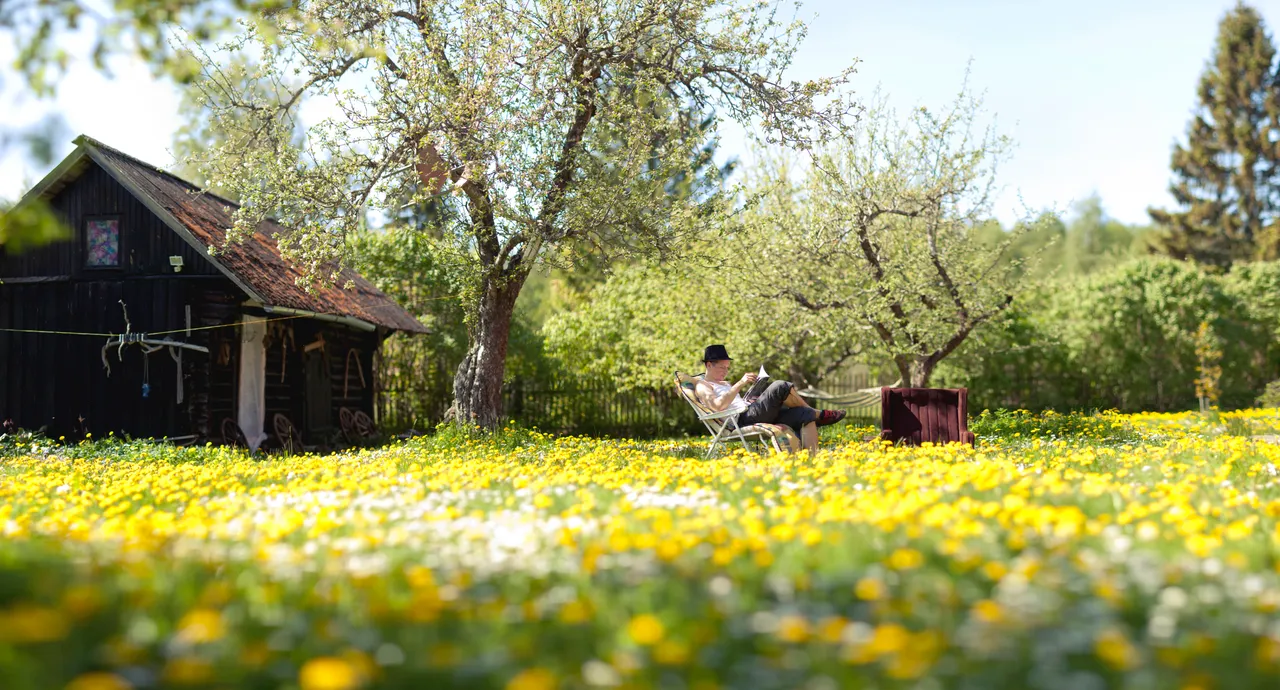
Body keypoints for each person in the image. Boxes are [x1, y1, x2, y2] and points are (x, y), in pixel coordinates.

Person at [693, 344, 846, 456]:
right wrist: (740, 383)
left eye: (727, 368)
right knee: (780, 386)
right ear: (708, 365)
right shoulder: (703, 386)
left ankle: (812, 459)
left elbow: (732, 400)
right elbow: (718, 406)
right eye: (722, 367)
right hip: (740, 422)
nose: (725, 371)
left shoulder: (724, 383)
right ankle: (820, 414)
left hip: (749, 411)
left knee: (804, 414)